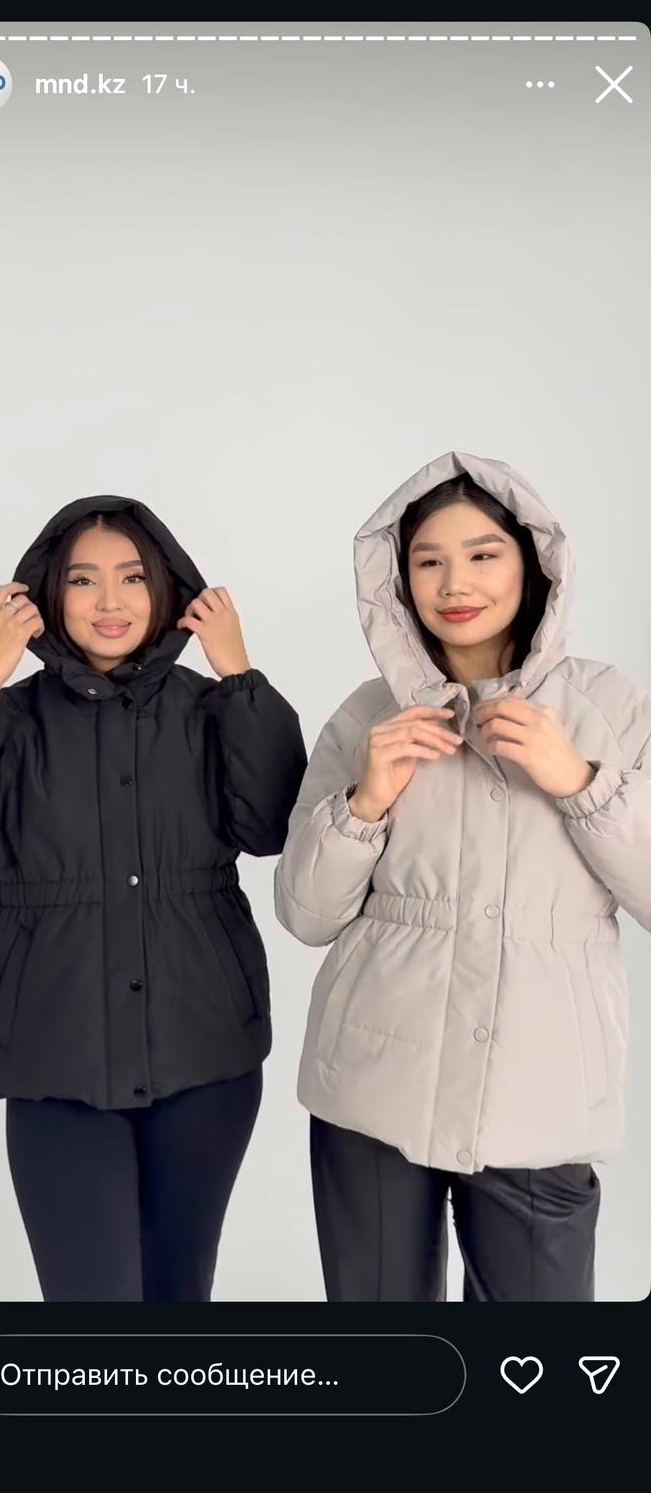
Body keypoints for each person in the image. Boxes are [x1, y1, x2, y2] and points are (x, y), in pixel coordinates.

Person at [274, 450, 651, 1302]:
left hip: (541, 1093)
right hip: (373, 1086)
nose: (456, 583)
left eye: (483, 554)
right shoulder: (368, 716)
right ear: (398, 581)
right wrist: (366, 802)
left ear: (533, 564)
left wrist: (581, 783)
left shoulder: (612, 708)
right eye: (428, 561)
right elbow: (305, 914)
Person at [0, 493, 306, 1301]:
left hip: (205, 1057)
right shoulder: (7, 717)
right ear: (47, 595)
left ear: (167, 590)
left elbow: (274, 826)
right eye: (83, 580)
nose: (110, 601)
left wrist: (239, 675)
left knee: (178, 1299)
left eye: (133, 578)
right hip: (55, 1060)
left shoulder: (212, 709)